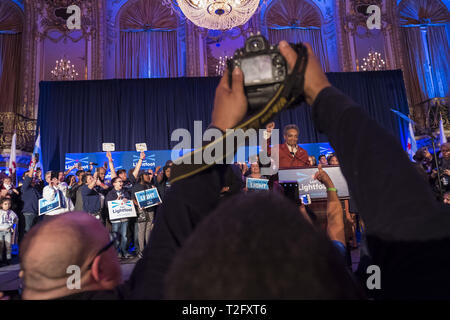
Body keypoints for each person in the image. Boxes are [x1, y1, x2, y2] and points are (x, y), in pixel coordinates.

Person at [131, 171, 157, 258]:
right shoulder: (136, 186)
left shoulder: (150, 185)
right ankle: (141, 250)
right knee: (141, 230)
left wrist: (156, 199)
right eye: (147, 175)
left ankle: (148, 249)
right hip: (142, 211)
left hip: (150, 210)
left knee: (148, 229)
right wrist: (139, 205)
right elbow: (133, 199)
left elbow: (153, 198)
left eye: (149, 175)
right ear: (141, 176)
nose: (149, 176)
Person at [105, 177, 132, 259]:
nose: (121, 183)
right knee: (116, 235)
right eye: (119, 181)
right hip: (115, 218)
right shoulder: (110, 193)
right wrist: (117, 200)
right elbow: (107, 205)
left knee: (124, 236)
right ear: (114, 183)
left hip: (124, 216)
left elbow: (129, 200)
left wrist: (126, 199)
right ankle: (116, 253)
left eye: (122, 181)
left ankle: (124, 251)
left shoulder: (125, 191)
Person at [21, 161, 41, 233]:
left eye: (33, 176)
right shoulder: (25, 187)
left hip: (37, 213)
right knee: (28, 233)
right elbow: (29, 178)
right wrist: (33, 165)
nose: (32, 176)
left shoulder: (37, 188)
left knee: (36, 234)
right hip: (28, 214)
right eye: (29, 175)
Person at [0, 198, 18, 265]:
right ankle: (1, 259)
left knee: (8, 246)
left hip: (8, 231)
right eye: (5, 204)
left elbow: (16, 220)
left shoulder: (11, 213)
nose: (7, 205)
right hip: (0, 231)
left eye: (9, 204)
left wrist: (13, 227)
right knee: (1, 246)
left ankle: (8, 259)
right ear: (1, 205)